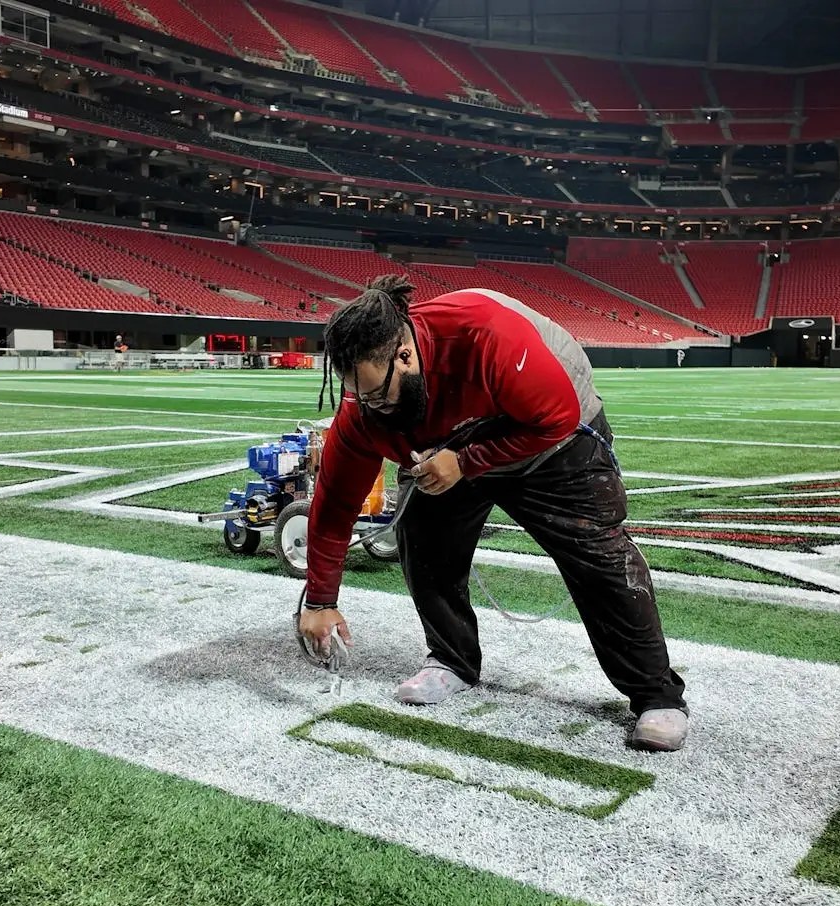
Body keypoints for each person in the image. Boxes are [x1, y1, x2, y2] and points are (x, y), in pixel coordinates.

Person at [294, 276, 691, 752]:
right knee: (424, 544)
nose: (371, 408)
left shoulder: (485, 336)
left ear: (405, 356)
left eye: (380, 395)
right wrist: (319, 600)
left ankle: (654, 692)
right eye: (361, 396)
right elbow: (336, 504)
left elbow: (556, 416)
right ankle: (452, 658)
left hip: (549, 433)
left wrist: (466, 462)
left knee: (598, 555)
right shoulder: (363, 407)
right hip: (448, 445)